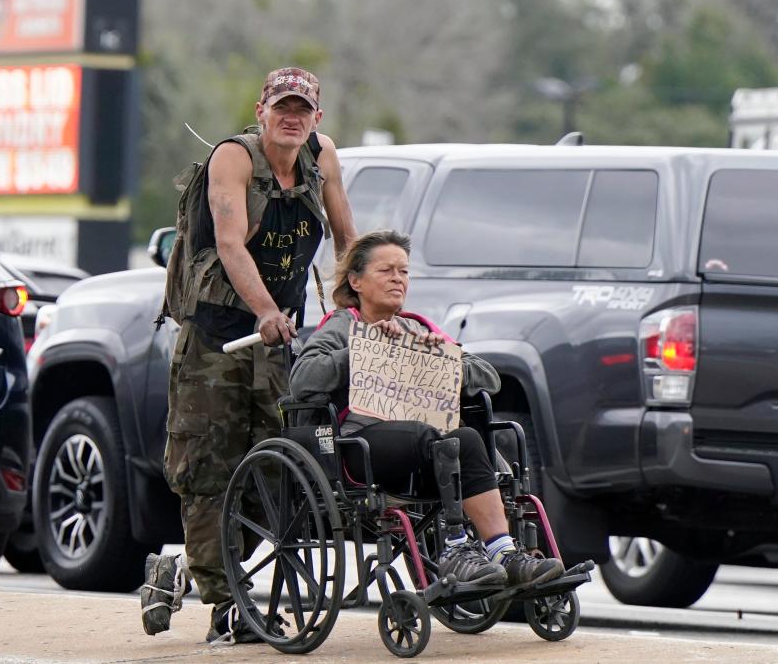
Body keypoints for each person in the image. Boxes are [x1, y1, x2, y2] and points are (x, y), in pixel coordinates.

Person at [141, 67, 356, 644]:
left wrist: (357, 305)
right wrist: (264, 310)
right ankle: (226, 610)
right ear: (261, 109)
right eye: (281, 106)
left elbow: (345, 238)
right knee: (210, 475)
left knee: (276, 478)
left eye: (303, 108)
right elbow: (231, 243)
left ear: (318, 117)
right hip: (218, 338)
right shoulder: (233, 159)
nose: (292, 117)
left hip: (278, 343)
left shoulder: (321, 157)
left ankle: (185, 569)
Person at [289, 230, 565, 588]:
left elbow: (489, 378)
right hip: (360, 447)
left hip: (427, 442)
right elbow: (302, 379)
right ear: (355, 280)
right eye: (386, 270)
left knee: (465, 437)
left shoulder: (417, 328)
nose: (397, 279)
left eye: (403, 271)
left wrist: (441, 358)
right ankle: (455, 548)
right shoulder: (343, 326)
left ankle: (503, 552)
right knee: (438, 437)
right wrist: (363, 351)